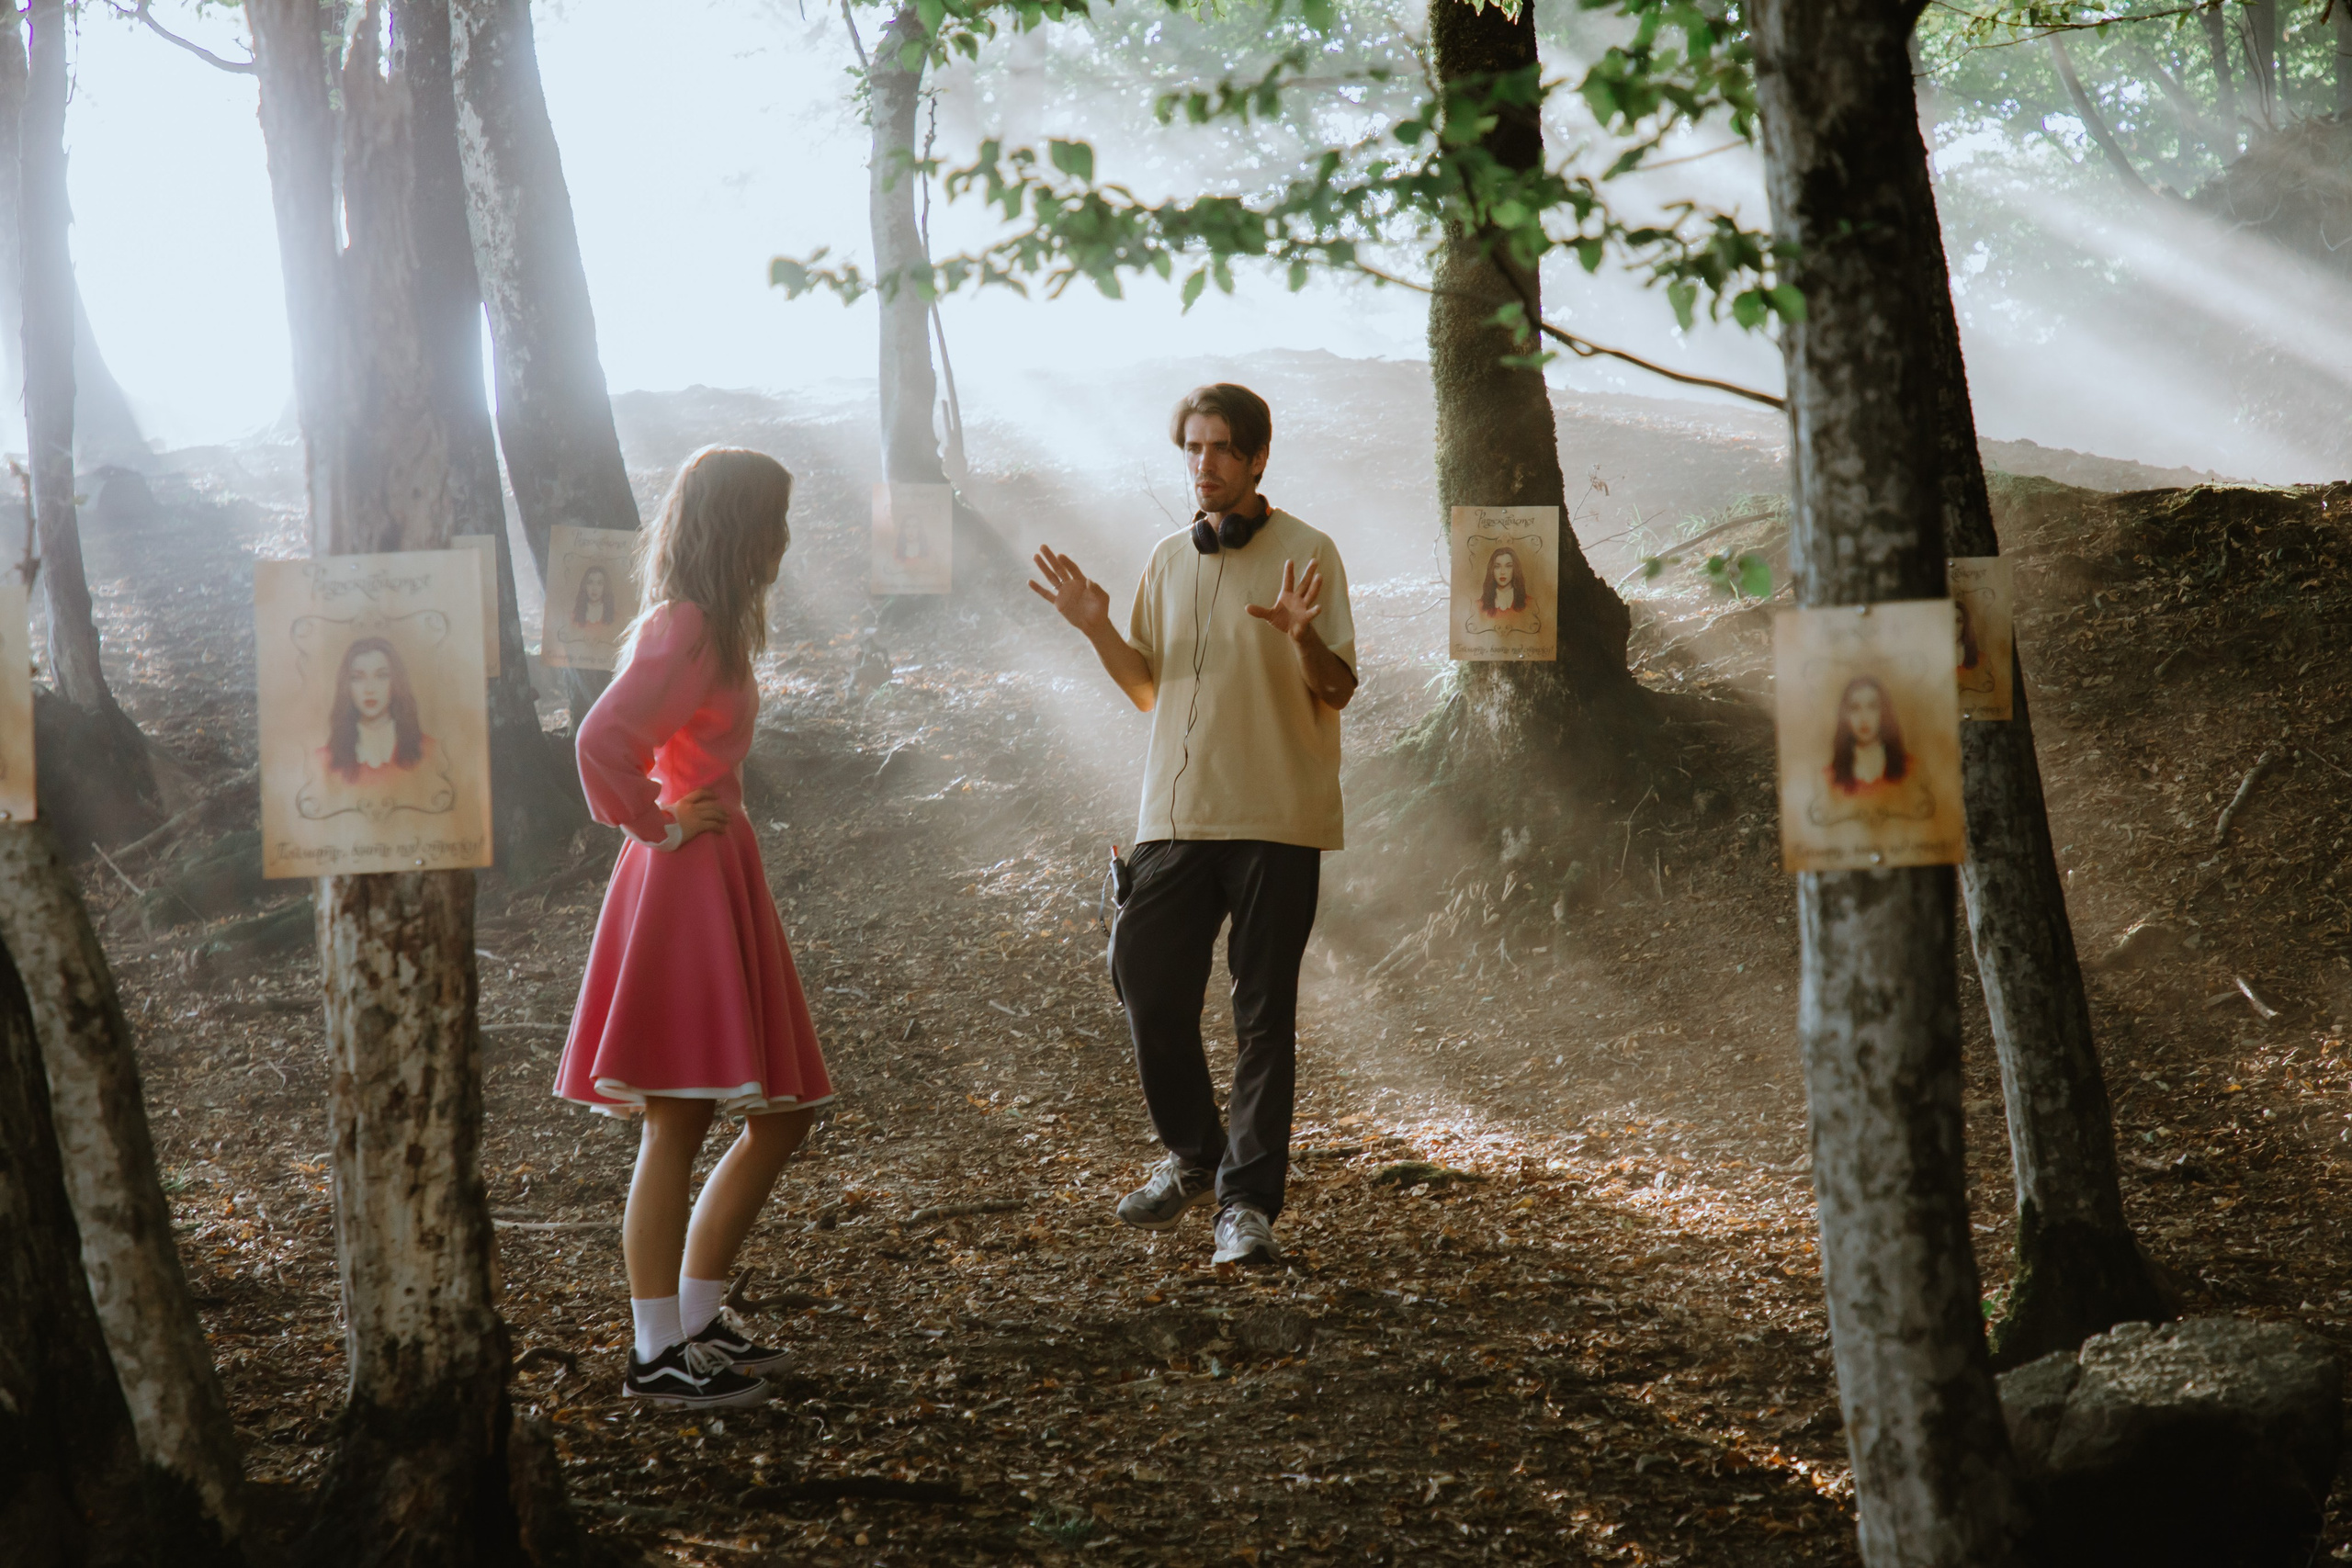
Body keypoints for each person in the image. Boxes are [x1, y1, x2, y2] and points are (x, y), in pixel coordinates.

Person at [1028, 382, 1356, 1269]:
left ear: (1257, 458)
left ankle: (1245, 1207)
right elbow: (1147, 687)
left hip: (1278, 814)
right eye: (1192, 448)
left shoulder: (1310, 553)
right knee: (1141, 973)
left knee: (1263, 1015)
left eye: (1220, 448)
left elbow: (1337, 688)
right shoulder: (1170, 559)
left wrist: (1302, 636)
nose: (1202, 464)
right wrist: (1096, 627)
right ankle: (1197, 1153)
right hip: (1176, 815)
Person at [552, 446, 831, 1410]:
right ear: (738, 526)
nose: (782, 541)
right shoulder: (688, 626)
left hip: (716, 871)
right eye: (773, 521)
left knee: (781, 1116)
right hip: (683, 876)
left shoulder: (710, 626)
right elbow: (602, 740)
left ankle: (697, 1320)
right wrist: (659, 821)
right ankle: (654, 1350)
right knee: (679, 1116)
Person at [298, 636, 456, 823]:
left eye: (381, 676)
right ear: (347, 686)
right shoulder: (323, 761)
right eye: (358, 678)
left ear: (396, 682)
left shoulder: (431, 753)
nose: (369, 689)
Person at [1826, 673, 1910, 796]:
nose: (1864, 718)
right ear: (1845, 716)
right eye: (1855, 708)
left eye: (1872, 707)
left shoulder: (1910, 771)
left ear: (1883, 713)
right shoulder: (1829, 778)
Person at [1479, 547, 1527, 617]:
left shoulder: (1530, 604)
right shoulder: (1478, 606)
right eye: (1497, 567)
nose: (1502, 572)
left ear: (1515, 569)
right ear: (1492, 570)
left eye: (1508, 566)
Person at [573, 564, 616, 629]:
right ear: (584, 586)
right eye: (590, 583)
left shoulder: (616, 618)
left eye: (599, 583)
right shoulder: (573, 618)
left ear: (605, 587)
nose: (594, 588)